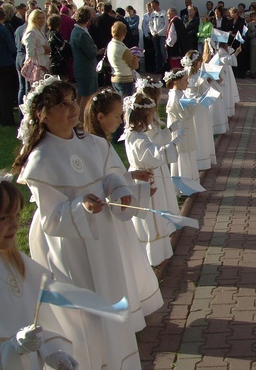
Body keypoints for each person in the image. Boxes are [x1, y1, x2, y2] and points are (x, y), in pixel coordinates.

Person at [12, 76, 146, 369]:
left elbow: (110, 173)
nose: (72, 107)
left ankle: (117, 356)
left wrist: (119, 189)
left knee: (109, 292)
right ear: (41, 114)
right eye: (61, 104)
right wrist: (79, 207)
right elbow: (50, 216)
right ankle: (92, 360)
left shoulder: (92, 143)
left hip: (104, 233)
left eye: (72, 100)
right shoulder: (40, 159)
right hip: (70, 243)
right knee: (84, 310)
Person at [0, 171, 78, 370]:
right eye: (4, 218)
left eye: (17, 215)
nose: (15, 224)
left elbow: (40, 321)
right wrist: (14, 348)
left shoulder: (16, 265)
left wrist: (52, 351)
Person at [82, 88, 165, 306]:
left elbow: (110, 177)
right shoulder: (94, 145)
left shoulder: (102, 143)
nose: (121, 120)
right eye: (117, 116)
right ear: (100, 117)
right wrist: (133, 189)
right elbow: (100, 183)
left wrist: (131, 177)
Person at [123, 87, 180, 276]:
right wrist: (174, 143)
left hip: (147, 175)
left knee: (154, 216)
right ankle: (153, 256)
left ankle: (158, 252)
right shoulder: (138, 139)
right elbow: (153, 154)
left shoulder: (134, 135)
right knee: (150, 220)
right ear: (142, 118)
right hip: (145, 180)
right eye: (149, 116)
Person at [165, 68, 199, 181]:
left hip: (186, 129)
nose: (188, 83)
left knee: (187, 155)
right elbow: (184, 115)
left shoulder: (180, 94)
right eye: (185, 80)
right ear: (176, 82)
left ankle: (190, 181)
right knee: (182, 157)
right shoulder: (175, 96)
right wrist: (194, 104)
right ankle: (184, 184)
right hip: (180, 131)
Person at [70, 6, 99, 121]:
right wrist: (95, 48)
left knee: (81, 94)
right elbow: (92, 52)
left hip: (81, 66)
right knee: (86, 95)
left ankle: (76, 118)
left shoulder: (77, 31)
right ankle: (81, 120)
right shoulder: (81, 33)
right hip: (85, 67)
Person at [107, 21, 140, 97]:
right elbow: (134, 66)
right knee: (126, 104)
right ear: (124, 34)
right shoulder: (123, 49)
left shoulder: (110, 44)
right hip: (124, 79)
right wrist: (136, 60)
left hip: (115, 77)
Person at [22, 10, 51, 77]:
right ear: (33, 19)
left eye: (43, 18)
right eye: (38, 18)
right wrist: (44, 50)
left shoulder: (40, 31)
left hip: (44, 65)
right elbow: (30, 52)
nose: (41, 20)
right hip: (36, 67)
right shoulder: (31, 33)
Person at [149, 0, 167, 75]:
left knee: (163, 53)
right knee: (157, 53)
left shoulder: (164, 13)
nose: (152, 7)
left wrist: (159, 33)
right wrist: (153, 32)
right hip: (154, 36)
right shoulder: (152, 14)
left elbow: (166, 25)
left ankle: (164, 68)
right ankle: (158, 69)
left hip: (162, 35)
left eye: (153, 5)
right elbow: (150, 24)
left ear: (157, 5)